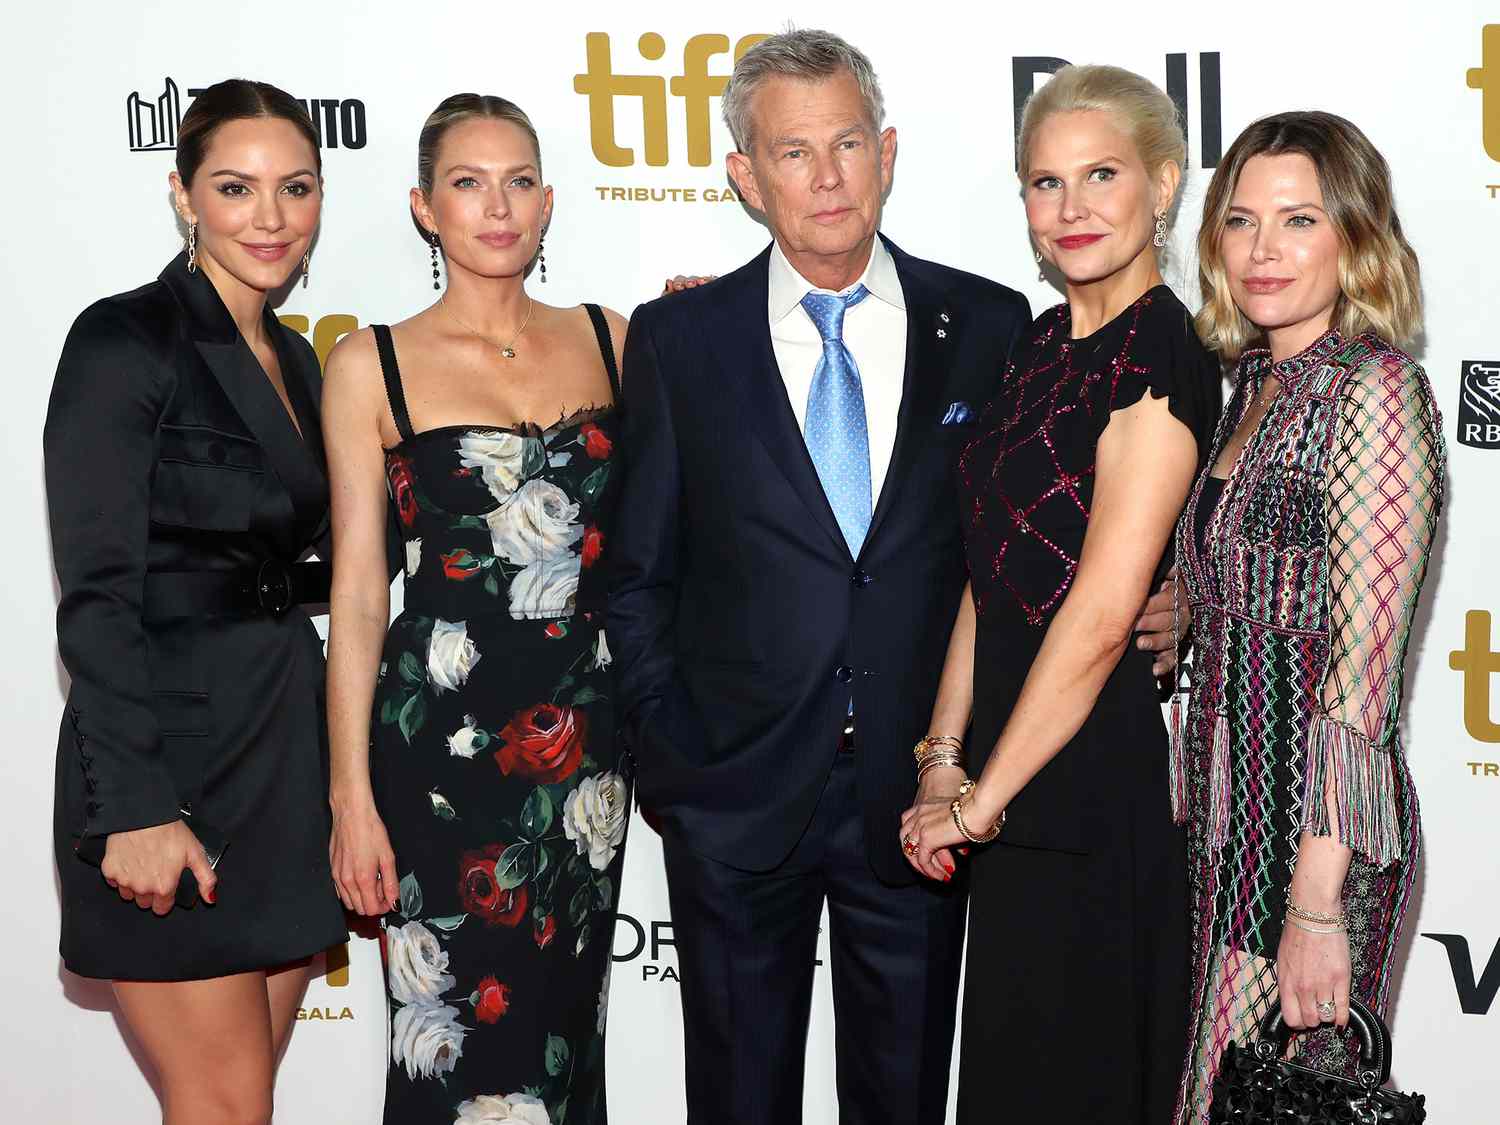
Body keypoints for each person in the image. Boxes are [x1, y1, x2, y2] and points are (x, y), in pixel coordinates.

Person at [609, 34, 1180, 1123]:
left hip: (924, 796)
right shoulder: (680, 340)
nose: (826, 176)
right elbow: (636, 574)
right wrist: (667, 754)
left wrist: (1178, 594)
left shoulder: (996, 327)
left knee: (906, 1097)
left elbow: (1052, 525)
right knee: (736, 1100)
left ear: (889, 153)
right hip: (734, 792)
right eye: (792, 151)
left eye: (848, 143)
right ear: (745, 175)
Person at [898, 64, 1222, 1123]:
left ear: (1163, 183)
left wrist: (982, 804)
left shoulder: (1162, 349)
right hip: (1005, 775)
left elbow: (1098, 613)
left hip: (1084, 780)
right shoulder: (1037, 346)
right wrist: (943, 761)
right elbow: (987, 576)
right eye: (1046, 183)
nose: (1071, 207)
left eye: (1101, 174)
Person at [321, 94, 629, 1125]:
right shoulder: (371, 363)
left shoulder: (614, 340)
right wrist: (350, 797)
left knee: (562, 1025)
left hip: (582, 745)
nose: (497, 206)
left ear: (547, 202)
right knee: (447, 1030)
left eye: (519, 180)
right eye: (467, 182)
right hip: (436, 747)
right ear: (423, 207)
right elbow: (361, 592)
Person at [46, 79, 341, 1123]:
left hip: (279, 750)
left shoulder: (299, 361)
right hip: (167, 759)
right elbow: (95, 595)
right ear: (183, 195)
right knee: (222, 1106)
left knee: (239, 1101)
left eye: (295, 188)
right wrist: (131, 807)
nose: (270, 217)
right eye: (235, 187)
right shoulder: (125, 341)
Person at [1169, 111, 1444, 1123]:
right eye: (1241, 222)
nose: (1264, 250)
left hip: (1314, 846)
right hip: (1228, 835)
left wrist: (1315, 904)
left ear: (1355, 237)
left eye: (1299, 220)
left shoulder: (1372, 392)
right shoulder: (1250, 387)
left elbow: (1362, 681)